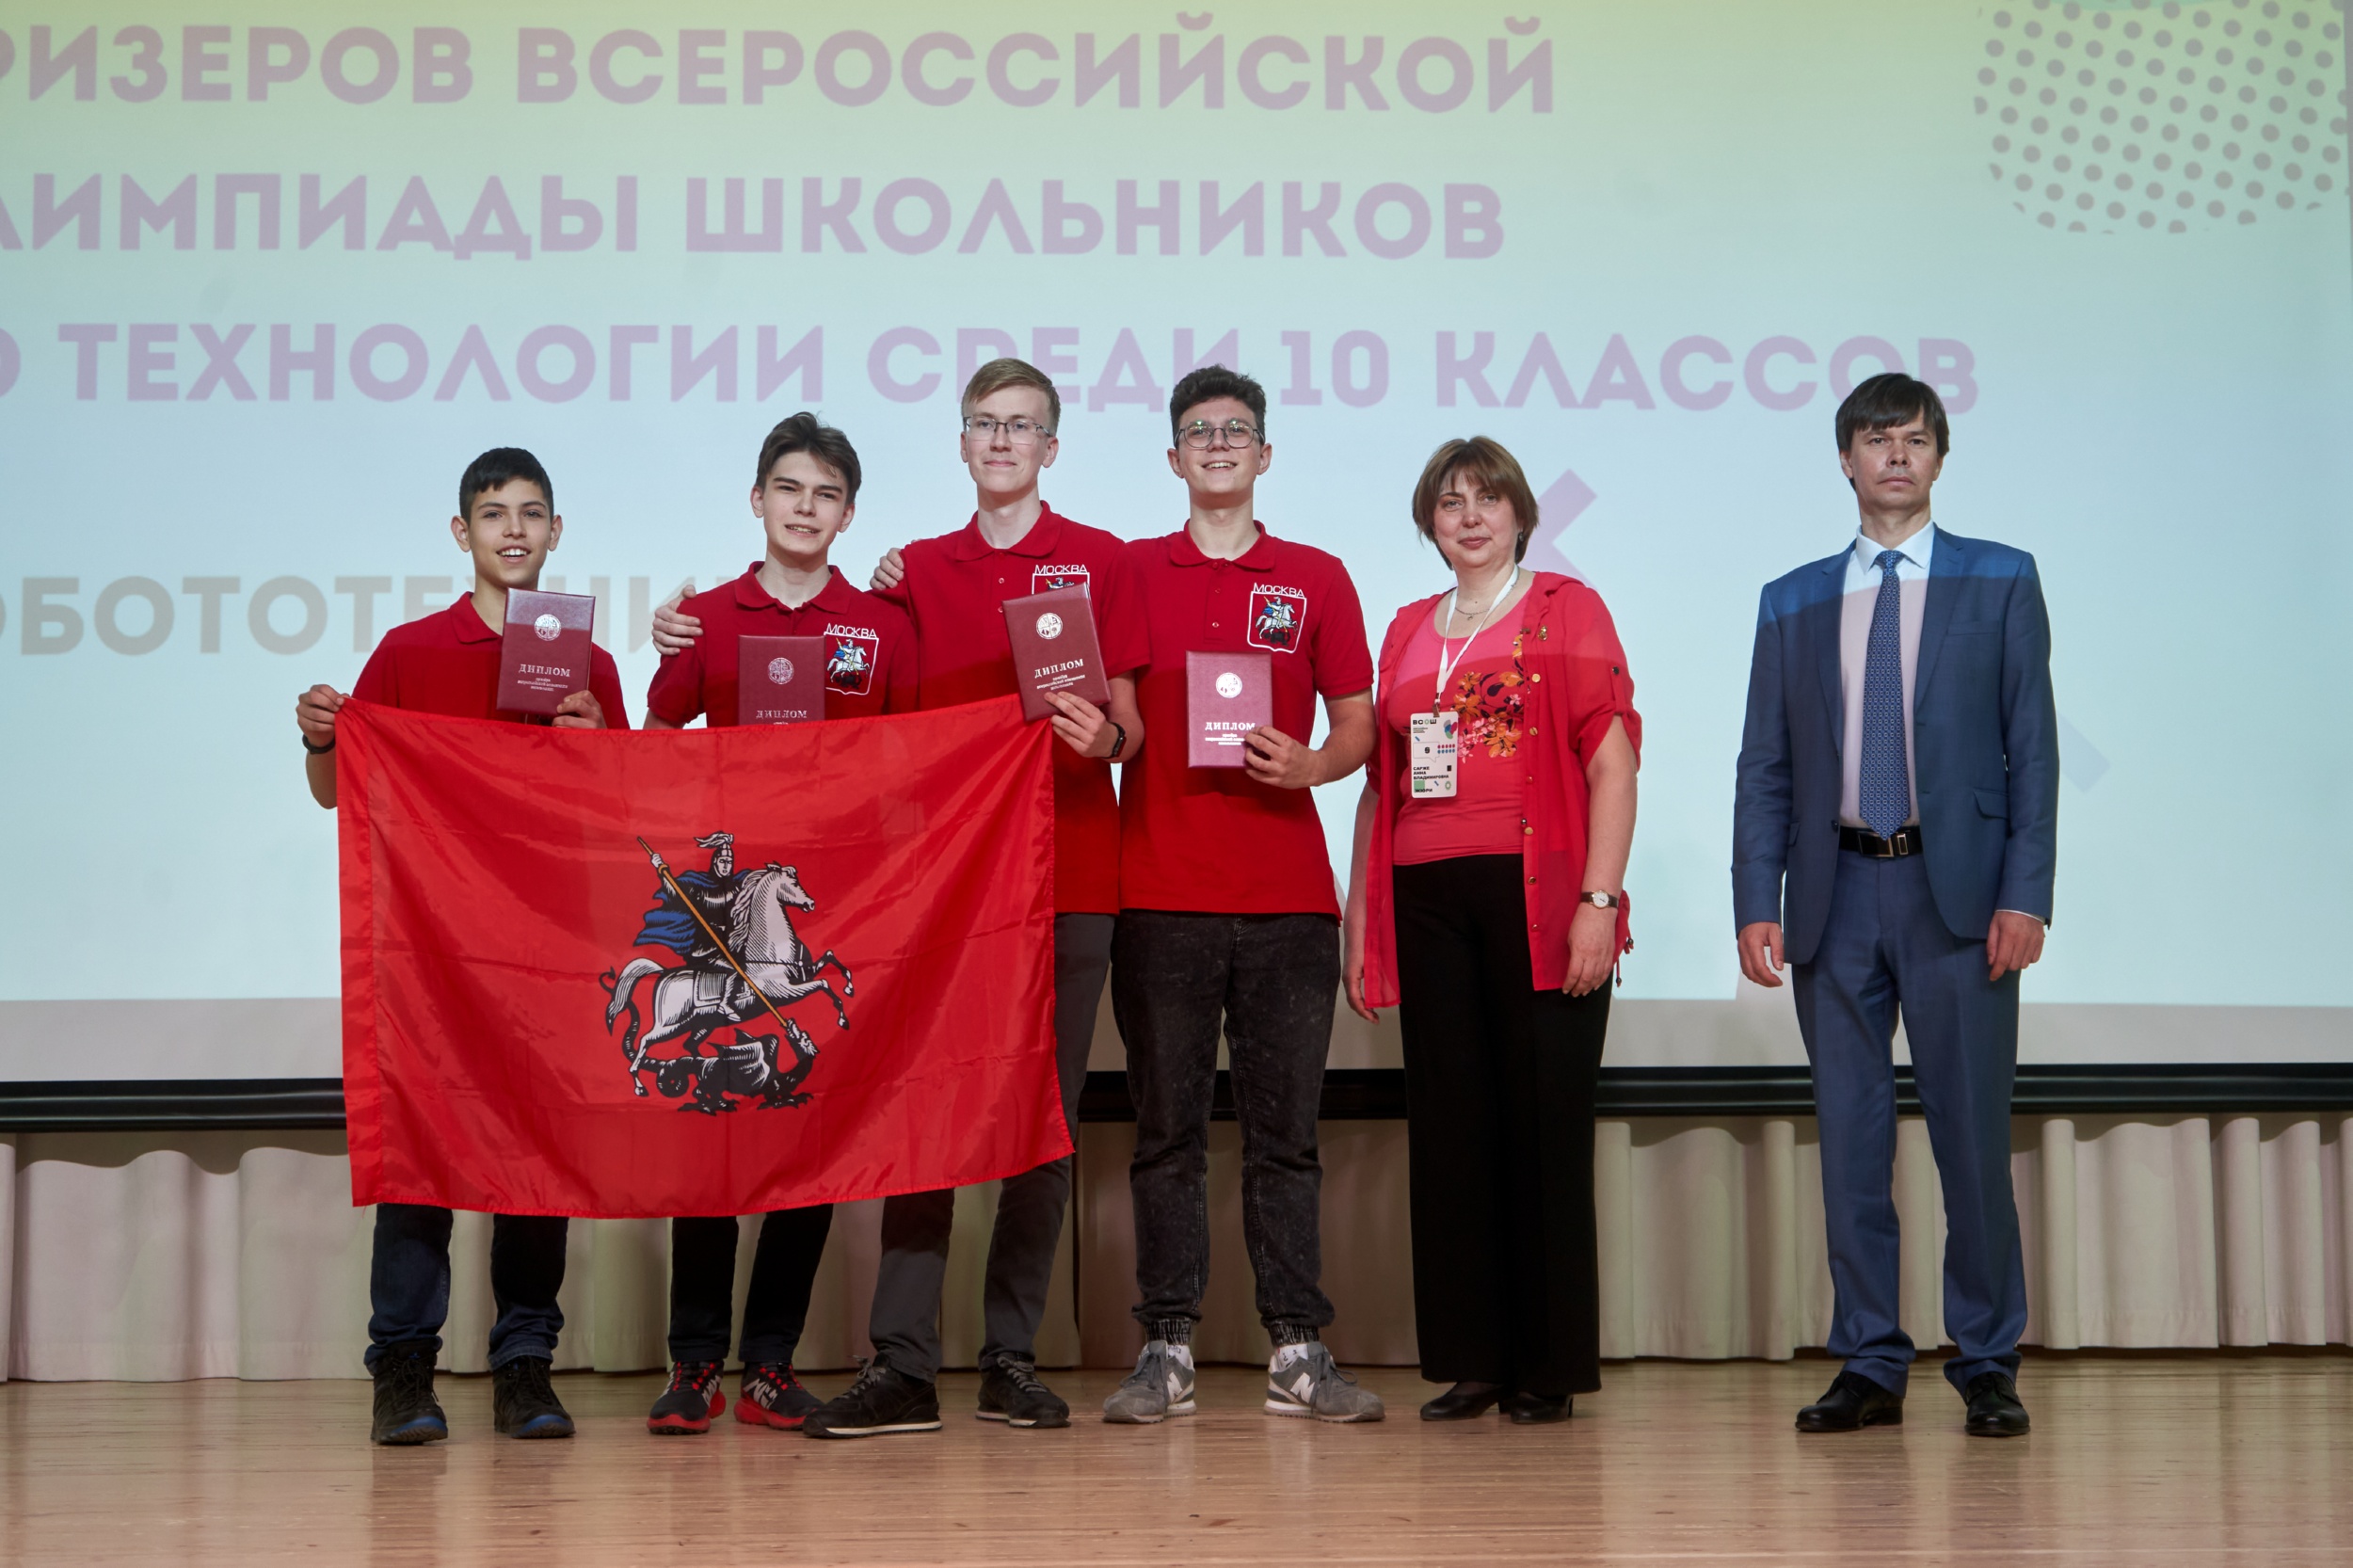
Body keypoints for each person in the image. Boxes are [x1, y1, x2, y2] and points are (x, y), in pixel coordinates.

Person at [656, 358, 1147, 1434]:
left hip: (1071, 876)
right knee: (924, 1114)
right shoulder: (909, 576)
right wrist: (680, 630)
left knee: (1043, 1124)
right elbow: (879, 742)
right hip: (945, 893)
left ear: (1050, 447)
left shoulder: (1103, 560)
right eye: (984, 423)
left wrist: (1104, 738)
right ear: (962, 443)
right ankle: (904, 1363)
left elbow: (1131, 727)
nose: (1002, 440)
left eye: (1021, 425)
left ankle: (1011, 1356)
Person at [1733, 372, 2057, 1439]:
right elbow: (1765, 766)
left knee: (1971, 1140)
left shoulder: (2000, 578)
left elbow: (2033, 753)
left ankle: (1986, 1358)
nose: (1896, 456)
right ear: (1846, 460)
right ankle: (1870, 1358)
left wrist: (2026, 894)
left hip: (1956, 898)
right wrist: (1757, 899)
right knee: (1850, 1143)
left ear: (1939, 456)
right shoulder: (1791, 598)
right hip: (1833, 894)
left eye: (1914, 439)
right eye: (1876, 440)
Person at [295, 446, 629, 1445]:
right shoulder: (409, 652)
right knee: (423, 1155)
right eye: (493, 513)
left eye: (530, 513)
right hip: (432, 952)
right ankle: (404, 1369)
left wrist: (596, 749)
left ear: (556, 531)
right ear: (462, 532)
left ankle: (525, 1364)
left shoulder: (591, 664)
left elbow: (623, 819)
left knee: (537, 1159)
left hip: (549, 948)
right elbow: (336, 794)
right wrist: (321, 739)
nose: (512, 529)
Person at [1097, 365, 1384, 1425]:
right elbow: (1119, 719)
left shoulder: (1316, 575)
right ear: (1174, 457)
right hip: (1157, 892)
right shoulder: (1129, 570)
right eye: (1198, 431)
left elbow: (1357, 723)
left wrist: (1313, 764)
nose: (1217, 443)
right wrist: (1108, 737)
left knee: (1286, 1138)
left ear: (1264, 453)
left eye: (1236, 429)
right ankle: (1164, 1346)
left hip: (1289, 904)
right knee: (1165, 1135)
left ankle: (1298, 1349)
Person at [1342, 437, 1639, 1426]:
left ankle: (1545, 1366)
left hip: (1539, 896)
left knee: (1541, 1129)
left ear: (1519, 514)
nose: (1469, 517)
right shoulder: (1403, 628)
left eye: (1487, 499)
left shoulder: (1566, 607)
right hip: (1425, 897)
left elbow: (1611, 762)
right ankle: (1472, 1360)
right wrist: (1360, 921)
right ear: (1429, 523)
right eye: (1450, 502)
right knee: (1451, 1133)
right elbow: (1381, 786)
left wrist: (1599, 901)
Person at [636, 412, 916, 1435]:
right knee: (712, 1136)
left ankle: (769, 1364)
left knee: (811, 1133)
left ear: (849, 514)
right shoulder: (705, 618)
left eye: (826, 493)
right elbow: (657, 735)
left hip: (837, 911)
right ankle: (693, 1363)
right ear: (758, 500)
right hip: (724, 910)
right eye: (789, 488)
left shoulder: (882, 625)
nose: (806, 507)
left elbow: (914, 758)